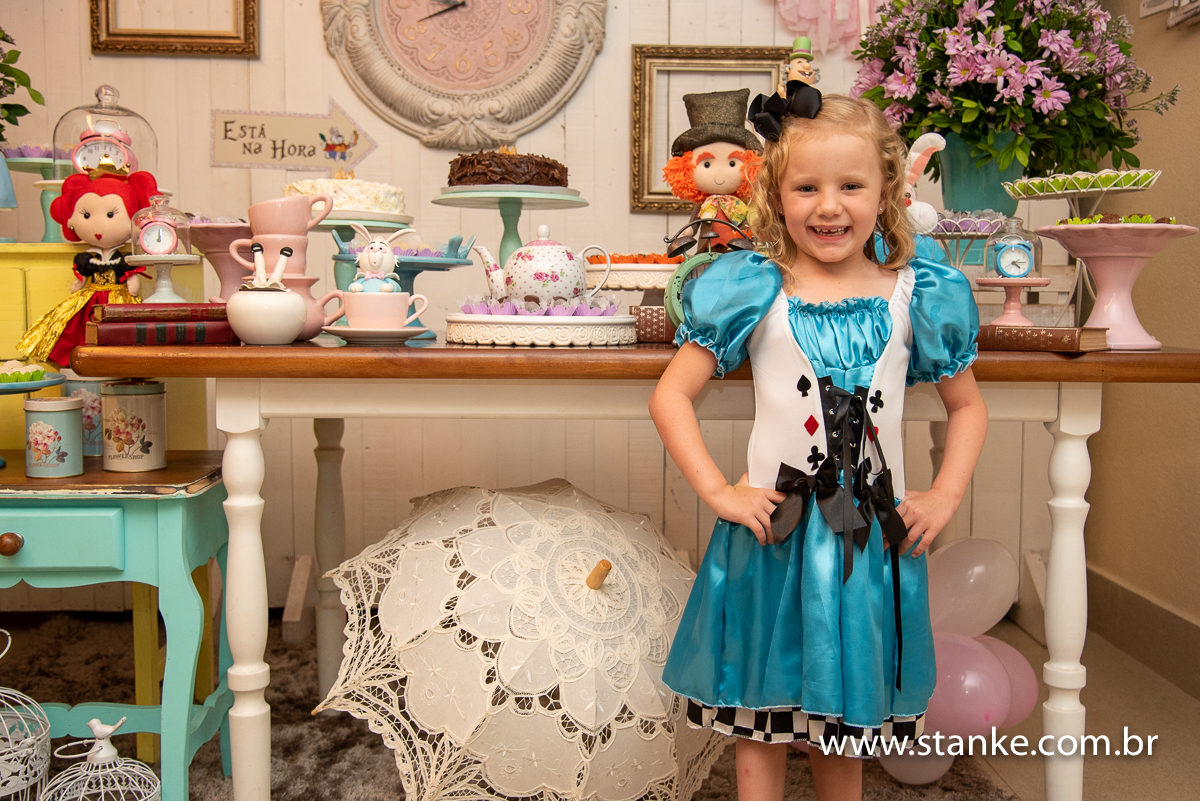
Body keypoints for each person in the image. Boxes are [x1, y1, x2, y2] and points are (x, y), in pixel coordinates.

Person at [650, 87, 988, 801]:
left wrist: (945, 492)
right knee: (759, 716)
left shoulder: (916, 292)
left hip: (868, 544)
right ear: (776, 193)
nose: (827, 206)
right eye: (806, 187)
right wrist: (718, 489)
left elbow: (967, 407)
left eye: (850, 186)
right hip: (772, 534)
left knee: (846, 718)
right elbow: (670, 395)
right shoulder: (752, 286)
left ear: (887, 191)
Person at [17, 166, 159, 366]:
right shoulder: (86, 259)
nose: (99, 228)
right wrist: (79, 284)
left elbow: (130, 275)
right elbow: (81, 278)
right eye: (86, 215)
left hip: (118, 297)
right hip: (91, 296)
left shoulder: (123, 259)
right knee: (76, 326)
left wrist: (132, 285)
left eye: (111, 215)